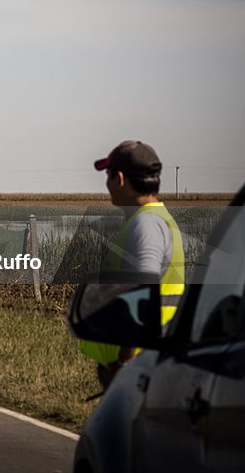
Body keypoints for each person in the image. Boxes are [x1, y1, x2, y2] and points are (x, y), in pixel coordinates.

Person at [80, 140, 185, 389]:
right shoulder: (154, 218)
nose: (107, 185)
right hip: (146, 357)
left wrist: (124, 363)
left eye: (108, 176)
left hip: (136, 363)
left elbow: (143, 293)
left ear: (119, 178)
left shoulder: (146, 224)